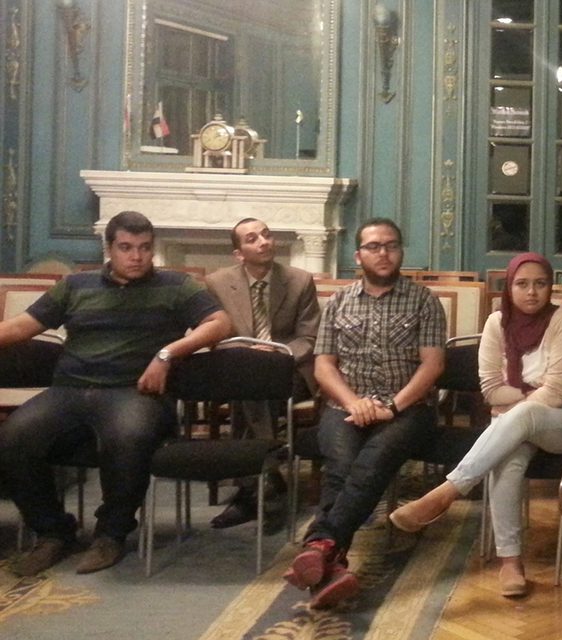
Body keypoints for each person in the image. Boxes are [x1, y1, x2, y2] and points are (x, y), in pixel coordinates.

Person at [1, 211, 232, 576]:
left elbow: (220, 323)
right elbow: (20, 327)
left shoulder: (177, 285)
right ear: (109, 248)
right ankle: (52, 531)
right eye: (126, 248)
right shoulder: (76, 285)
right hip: (71, 390)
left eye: (144, 248)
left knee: (127, 437)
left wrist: (167, 353)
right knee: (13, 438)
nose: (136, 256)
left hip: (134, 392)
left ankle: (111, 533)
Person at [389, 252, 562, 598]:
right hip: (520, 420)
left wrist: (515, 408)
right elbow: (491, 390)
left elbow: (560, 393)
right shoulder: (496, 323)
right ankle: (511, 561)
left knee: (520, 418)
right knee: (506, 458)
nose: (532, 292)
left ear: (551, 287)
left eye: (540, 284)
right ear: (509, 287)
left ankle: (448, 492)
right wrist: (522, 403)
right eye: (522, 284)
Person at [285, 218, 446, 609]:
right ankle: (333, 561)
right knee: (341, 463)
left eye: (391, 245)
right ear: (358, 255)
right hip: (346, 405)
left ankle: (321, 543)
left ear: (401, 251)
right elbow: (324, 366)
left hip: (408, 409)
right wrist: (354, 401)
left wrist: (393, 406)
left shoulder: (424, 300)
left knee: (371, 460)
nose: (383, 252)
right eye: (373, 246)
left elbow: (433, 366)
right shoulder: (338, 302)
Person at [204, 217, 321, 528]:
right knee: (252, 385)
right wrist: (246, 355)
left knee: (255, 386)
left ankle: (251, 491)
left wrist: (279, 355)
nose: (263, 242)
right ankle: (266, 476)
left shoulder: (299, 280)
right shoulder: (217, 283)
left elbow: (309, 338)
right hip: (241, 368)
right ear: (239, 253)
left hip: (290, 370)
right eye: (252, 238)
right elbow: (213, 336)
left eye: (266, 235)